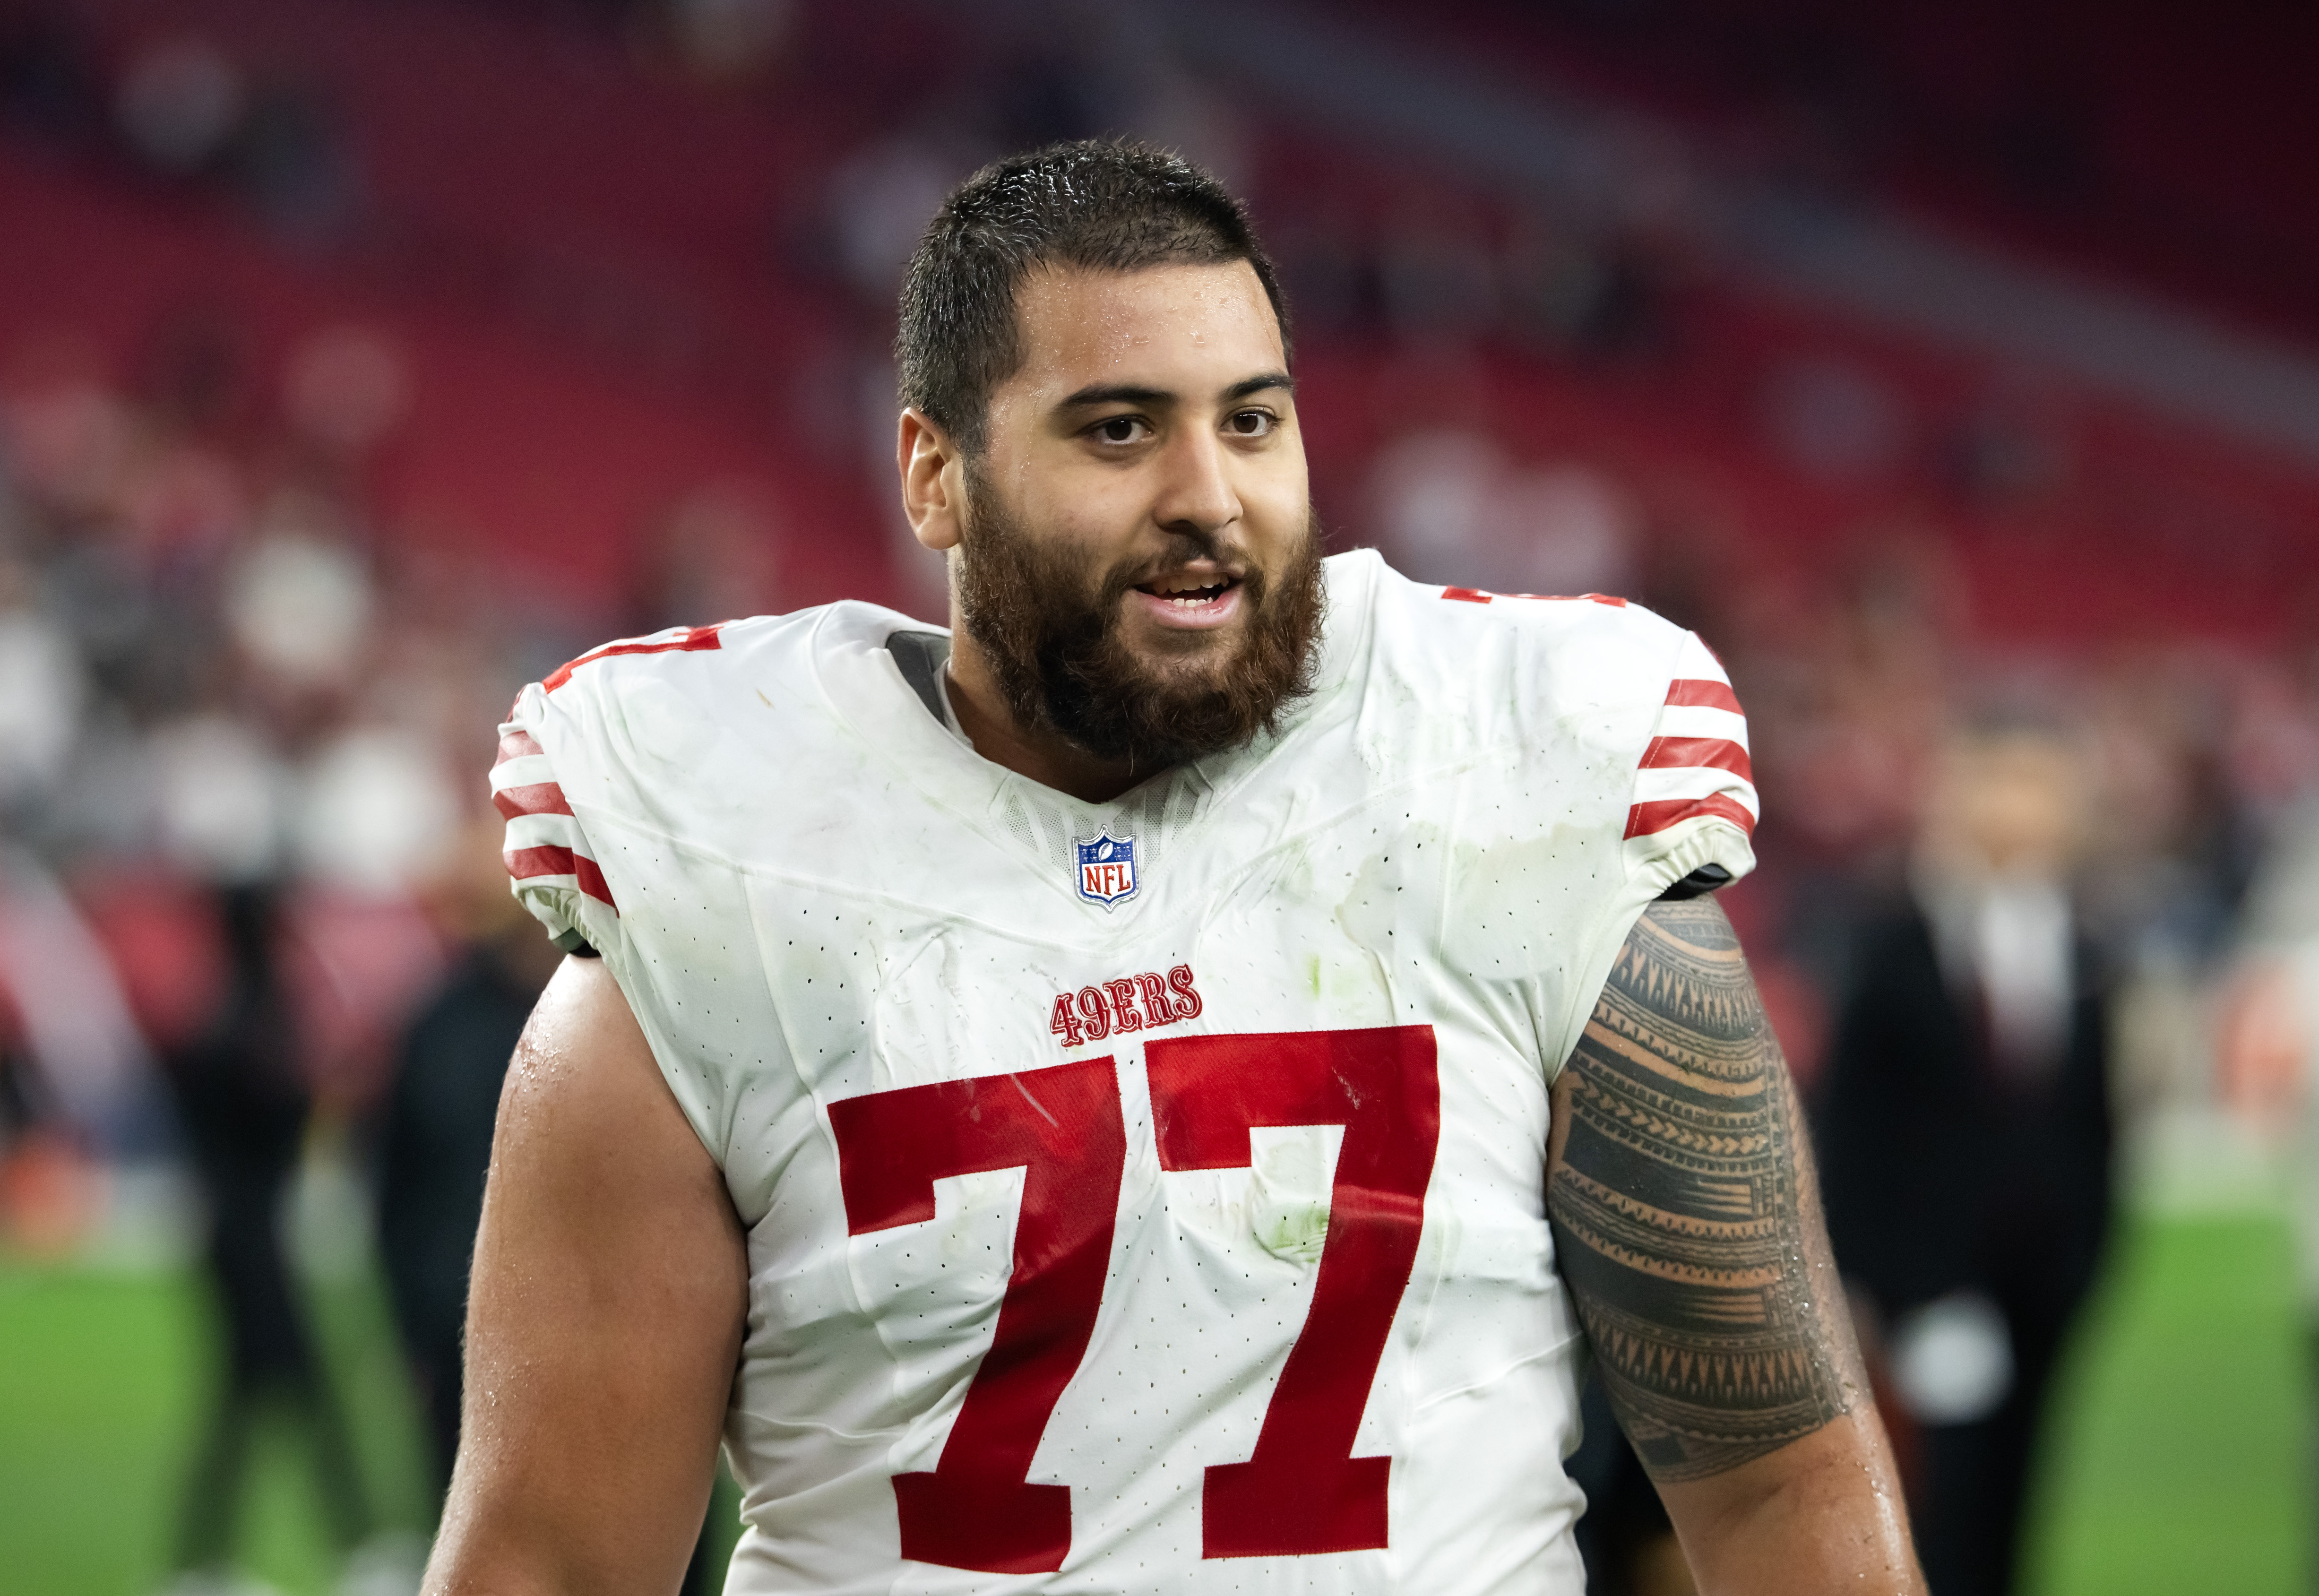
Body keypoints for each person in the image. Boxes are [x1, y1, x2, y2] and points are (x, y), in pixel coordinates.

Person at [425, 140, 1921, 1595]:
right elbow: (550, 1565)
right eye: (1119, 430)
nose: (1209, 493)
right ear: (934, 477)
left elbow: (1777, 1482)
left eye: (1251, 421)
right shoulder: (719, 869)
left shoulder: (1509, 780)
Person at [1812, 719, 2112, 1596]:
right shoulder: (1895, 941)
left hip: (2043, 1285)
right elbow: (1856, 1127)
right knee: (1945, 1504)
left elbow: (2092, 1124)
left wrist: (2083, 1262)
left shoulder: (2078, 946)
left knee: (2018, 1502)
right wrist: (1881, 1283)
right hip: (1931, 1286)